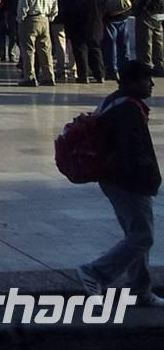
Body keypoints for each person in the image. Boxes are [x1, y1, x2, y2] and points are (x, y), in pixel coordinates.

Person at [75, 61, 163, 303]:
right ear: (131, 82)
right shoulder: (127, 110)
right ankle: (95, 272)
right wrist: (148, 177)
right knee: (143, 236)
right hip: (127, 182)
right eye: (146, 79)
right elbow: (131, 151)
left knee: (135, 234)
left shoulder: (115, 102)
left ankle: (139, 289)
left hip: (115, 178)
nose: (152, 84)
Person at [16, 0, 58, 87]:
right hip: (44, 19)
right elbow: (55, 4)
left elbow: (23, 5)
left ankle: (29, 77)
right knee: (45, 49)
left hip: (30, 19)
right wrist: (51, 17)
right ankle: (49, 76)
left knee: (28, 49)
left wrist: (20, 18)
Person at [62, 0, 107, 85]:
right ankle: (100, 74)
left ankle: (83, 75)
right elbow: (103, 9)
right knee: (95, 50)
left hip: (77, 26)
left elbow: (67, 11)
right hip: (95, 26)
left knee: (80, 51)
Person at [97, 0, 136, 81]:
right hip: (125, 12)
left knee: (110, 43)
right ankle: (125, 67)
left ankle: (112, 70)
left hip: (110, 14)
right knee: (124, 42)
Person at [133, 0, 164, 77]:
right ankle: (160, 65)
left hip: (147, 12)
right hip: (159, 11)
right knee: (158, 40)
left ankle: (145, 66)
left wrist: (141, 8)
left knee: (145, 41)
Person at [1, 0, 22, 68]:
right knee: (2, 32)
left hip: (13, 10)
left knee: (13, 33)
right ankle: (2, 53)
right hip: (2, 10)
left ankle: (12, 53)